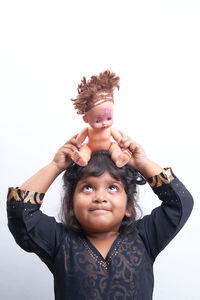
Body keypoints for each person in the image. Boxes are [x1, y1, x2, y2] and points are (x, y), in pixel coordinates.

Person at [7, 134, 193, 300]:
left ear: (128, 206)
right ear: (71, 205)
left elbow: (180, 204)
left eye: (112, 188)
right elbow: (20, 211)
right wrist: (56, 166)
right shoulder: (60, 242)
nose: (100, 197)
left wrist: (143, 164)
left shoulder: (144, 237)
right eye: (88, 187)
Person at [70, 70, 132, 168]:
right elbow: (78, 142)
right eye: (98, 121)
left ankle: (119, 158)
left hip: (109, 146)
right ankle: (82, 158)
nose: (104, 124)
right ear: (86, 119)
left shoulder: (110, 130)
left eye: (108, 118)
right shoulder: (87, 130)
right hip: (91, 147)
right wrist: (77, 144)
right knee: (85, 149)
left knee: (115, 148)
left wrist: (122, 142)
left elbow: (119, 140)